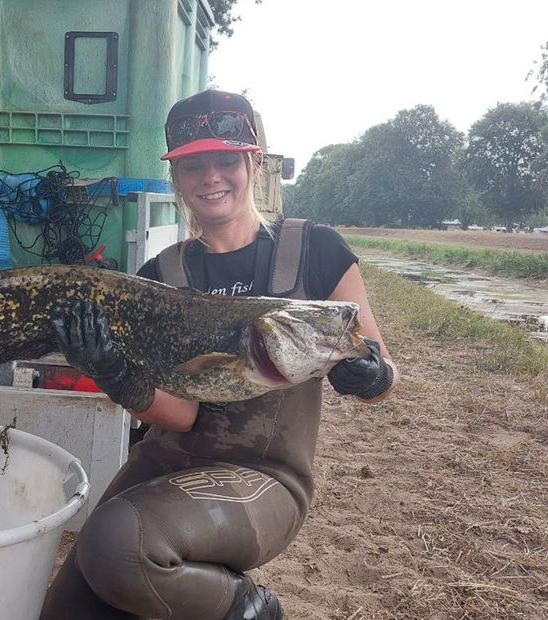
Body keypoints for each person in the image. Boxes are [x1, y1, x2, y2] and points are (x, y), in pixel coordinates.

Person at [41, 89, 399, 620]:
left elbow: (384, 376)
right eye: (192, 166)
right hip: (168, 462)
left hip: (268, 481)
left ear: (253, 163)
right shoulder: (160, 277)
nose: (210, 177)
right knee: (71, 606)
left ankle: (251, 611)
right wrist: (114, 373)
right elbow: (181, 415)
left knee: (117, 544)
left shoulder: (317, 251)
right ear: (177, 180)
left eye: (226, 160)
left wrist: (371, 376)